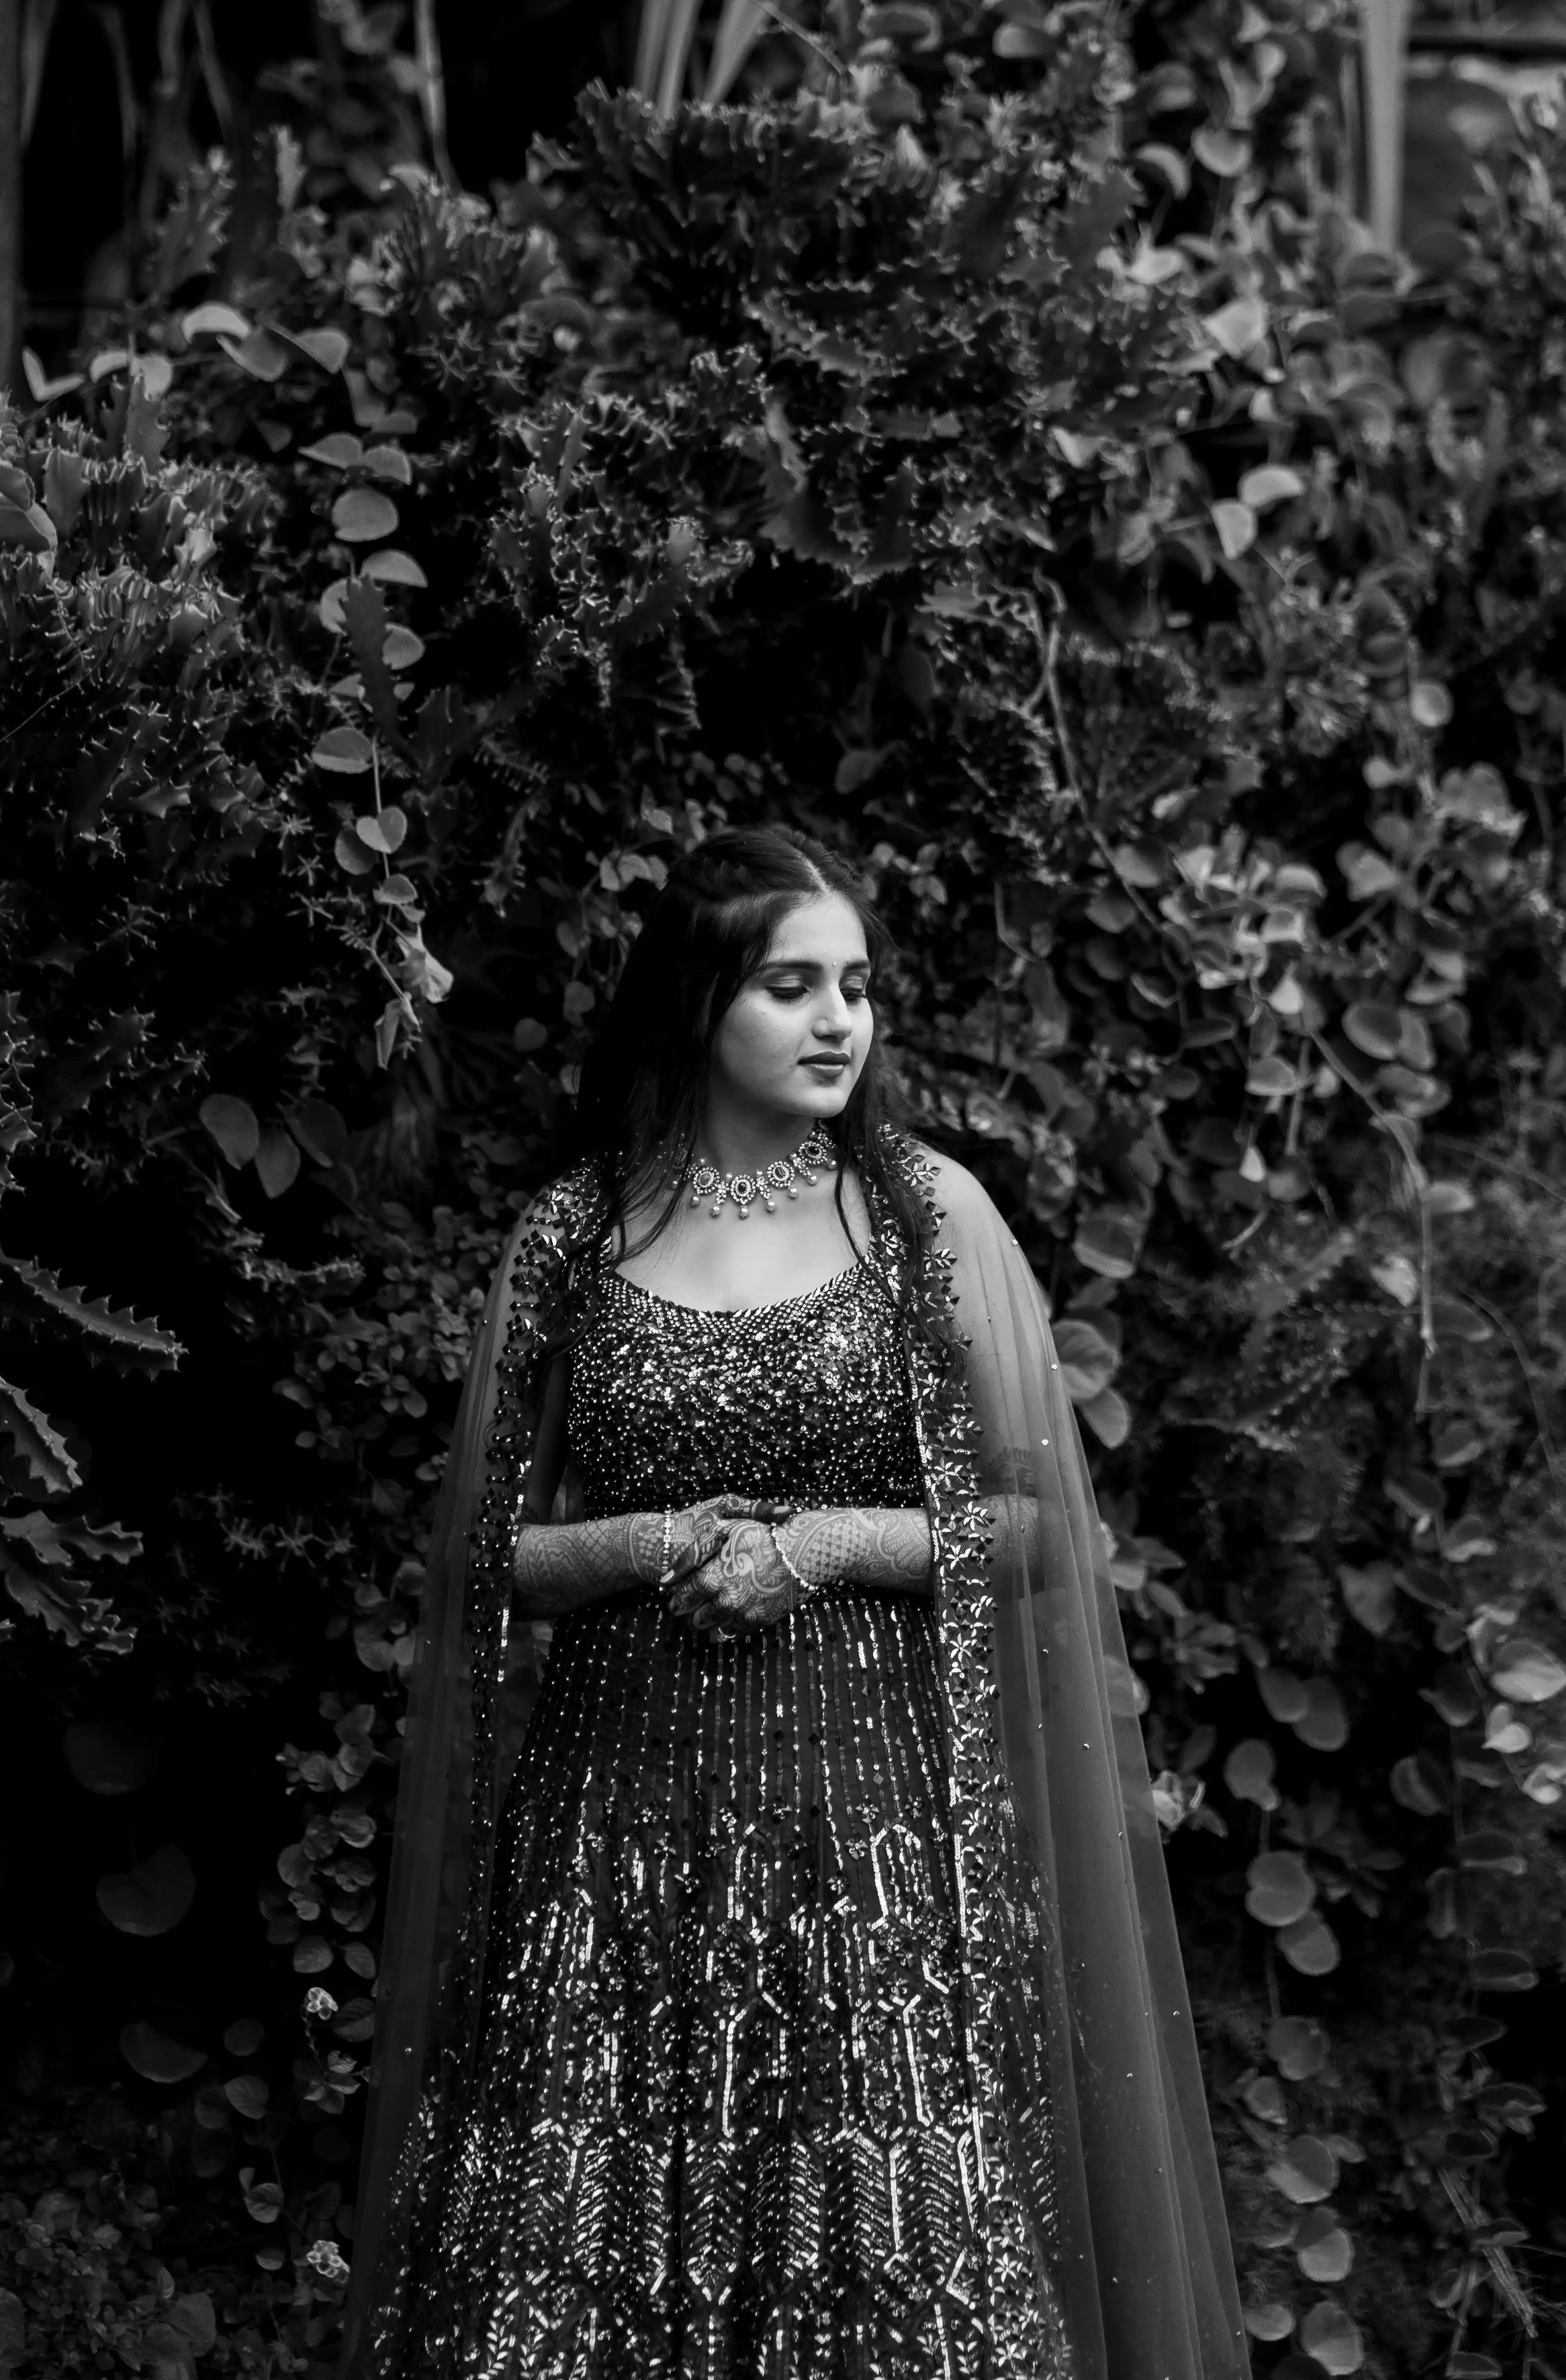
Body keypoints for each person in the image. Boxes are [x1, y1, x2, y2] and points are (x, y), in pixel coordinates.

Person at [343, 825, 1247, 2380]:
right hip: (610, 1850)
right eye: (791, 985)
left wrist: (820, 1546)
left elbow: (1040, 1523)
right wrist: (667, 1540)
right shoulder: (576, 1237)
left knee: (895, 2269)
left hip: (866, 1839)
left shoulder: (922, 1219)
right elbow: (493, 1556)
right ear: (702, 1001)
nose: (840, 1021)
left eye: (857, 987)